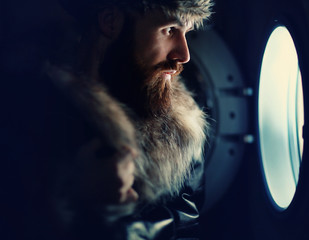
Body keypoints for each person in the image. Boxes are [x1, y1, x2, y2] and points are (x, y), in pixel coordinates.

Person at [37, 0, 214, 239]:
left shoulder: (182, 126)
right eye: (170, 30)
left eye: (186, 33)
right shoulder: (40, 112)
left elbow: (187, 226)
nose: (184, 55)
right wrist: (74, 205)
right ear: (110, 22)